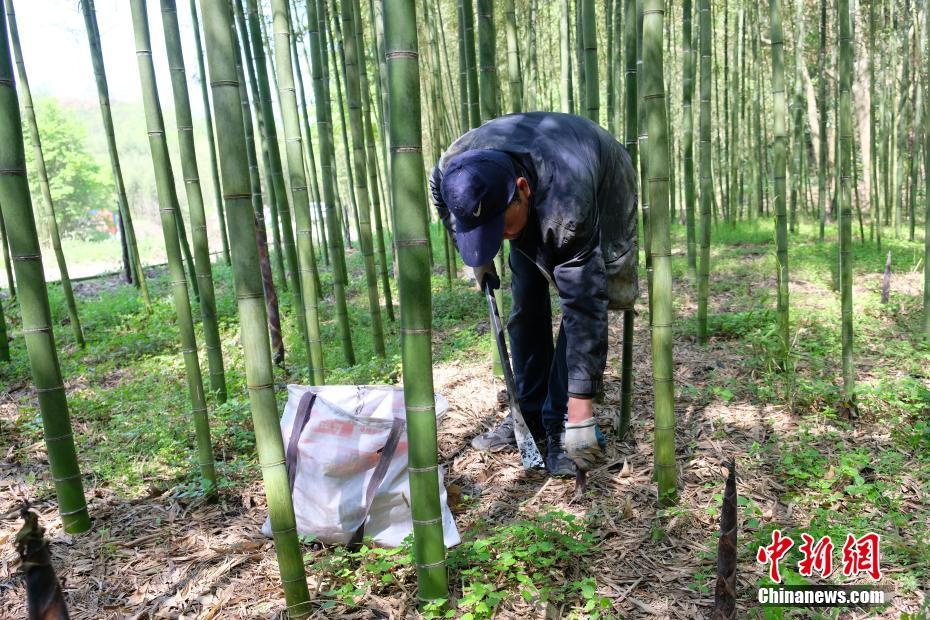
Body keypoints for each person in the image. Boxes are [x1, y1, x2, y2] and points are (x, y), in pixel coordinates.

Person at [430, 112, 639, 476]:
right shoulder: (451, 169)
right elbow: (444, 200)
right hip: (532, 183)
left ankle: (559, 424)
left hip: (599, 178)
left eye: (498, 227)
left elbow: (583, 310)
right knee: (526, 302)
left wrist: (580, 409)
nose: (497, 238)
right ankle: (528, 413)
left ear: (522, 190)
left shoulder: (567, 211)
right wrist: (474, 254)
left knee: (588, 293)